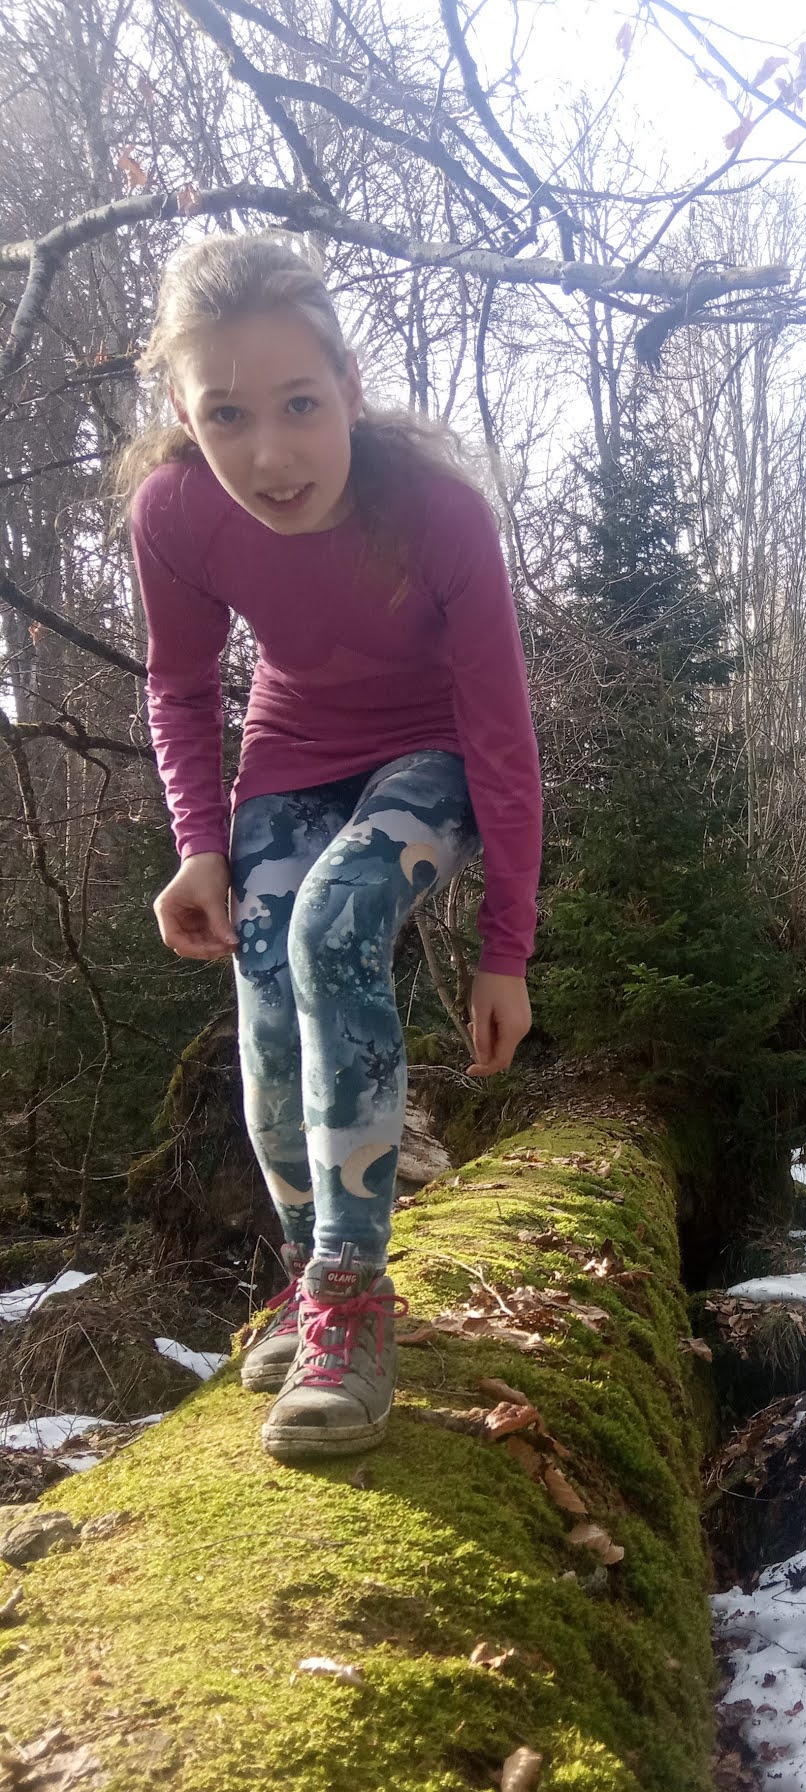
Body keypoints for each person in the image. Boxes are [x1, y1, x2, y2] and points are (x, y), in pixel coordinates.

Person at [120, 232, 541, 1463]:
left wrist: (505, 950)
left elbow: (502, 735)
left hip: (435, 752)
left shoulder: (439, 515)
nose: (269, 453)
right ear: (186, 416)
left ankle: (354, 1301)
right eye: (227, 414)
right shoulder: (176, 513)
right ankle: (312, 1276)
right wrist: (201, 846)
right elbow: (180, 685)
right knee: (264, 984)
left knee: (334, 918)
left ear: (350, 388)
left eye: (300, 404)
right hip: (292, 754)